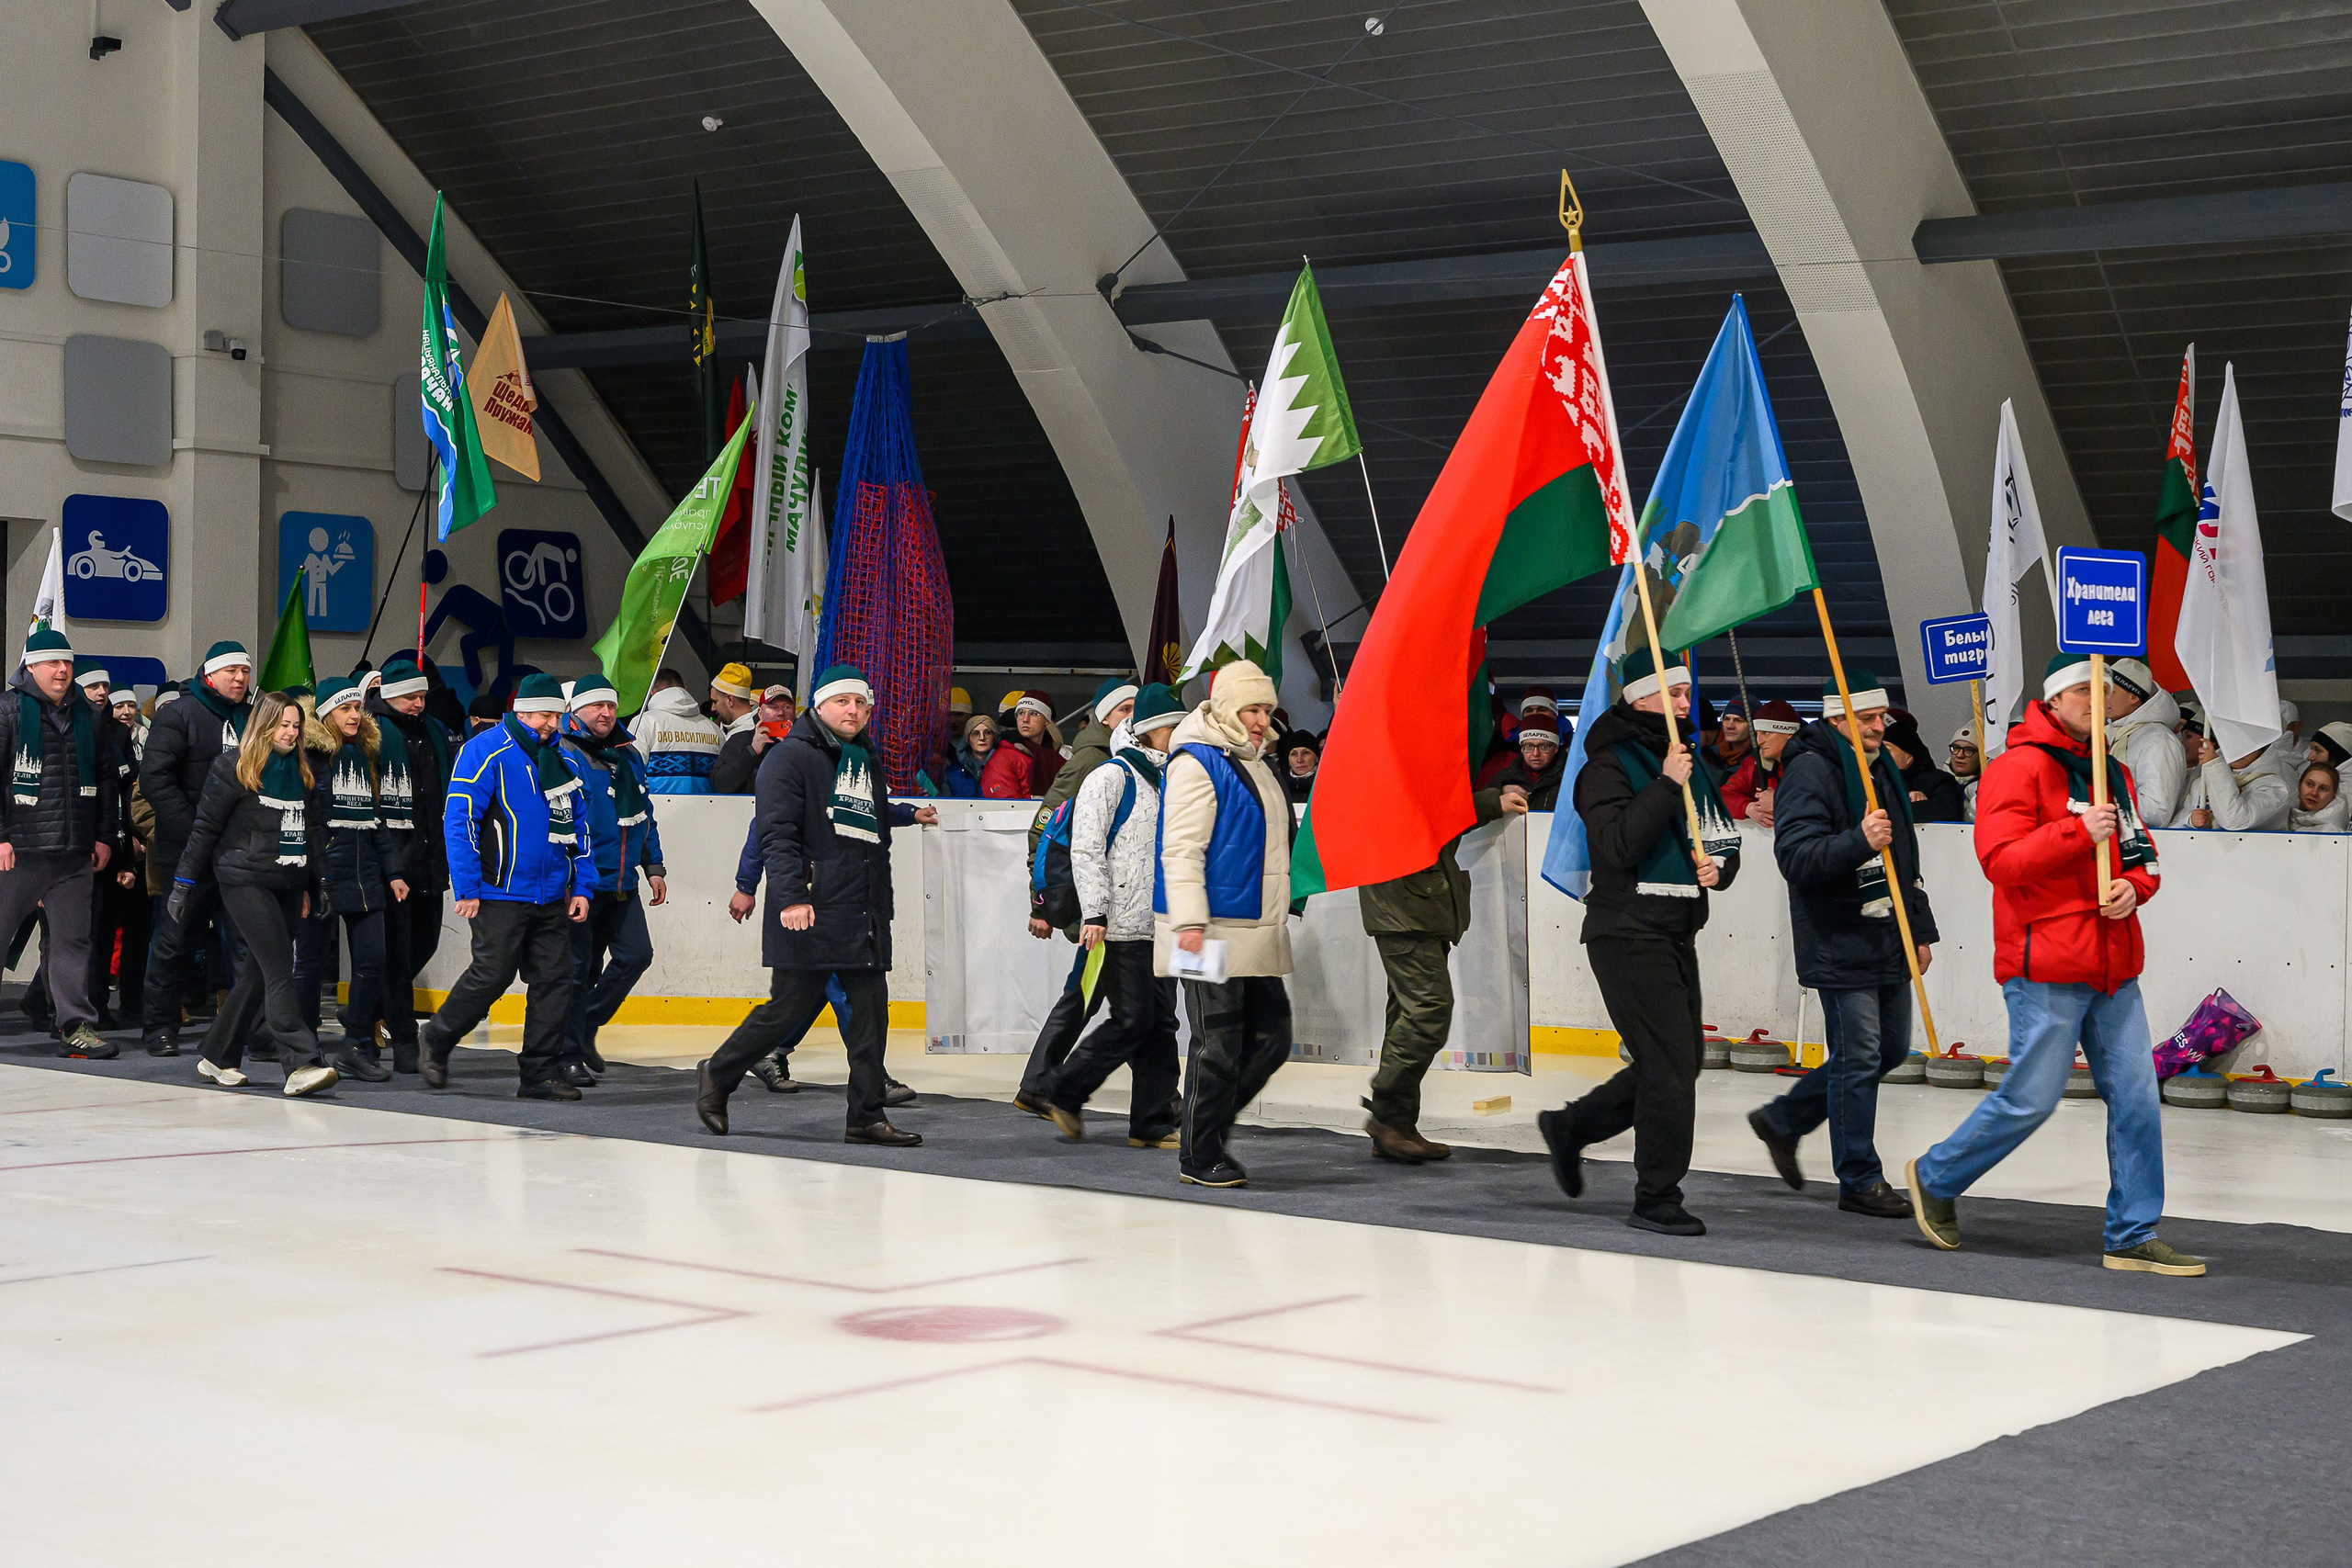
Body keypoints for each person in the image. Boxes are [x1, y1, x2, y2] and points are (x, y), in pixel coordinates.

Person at [1907, 653, 2200, 1276]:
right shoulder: (2015, 768)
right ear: (2057, 699)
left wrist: (2133, 889)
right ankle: (1935, 1174)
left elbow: (2140, 856)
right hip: (2044, 963)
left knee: (2138, 1101)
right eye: (2086, 693)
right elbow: (2000, 860)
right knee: (2031, 1100)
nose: (2098, 703)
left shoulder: (2112, 771)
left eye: (2106, 693)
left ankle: (2132, 1231)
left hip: (2113, 965)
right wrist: (2076, 833)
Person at [1535, 646, 1741, 1236]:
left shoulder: (1688, 760)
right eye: (1672, 693)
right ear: (1638, 698)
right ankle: (1657, 1196)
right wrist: (1663, 784)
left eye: (1685, 693)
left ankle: (1572, 1127)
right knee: (1671, 1066)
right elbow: (1618, 846)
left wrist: (1718, 869)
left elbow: (1723, 840)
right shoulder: (1606, 766)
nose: (1684, 702)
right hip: (1625, 929)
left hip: (1676, 929)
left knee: (1677, 1062)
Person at [695, 665, 936, 1145]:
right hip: (809, 908)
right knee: (786, 1012)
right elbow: (777, 834)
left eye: (861, 703)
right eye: (843, 702)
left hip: (862, 906)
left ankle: (866, 1117)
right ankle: (718, 1076)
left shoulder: (862, 757)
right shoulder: (786, 760)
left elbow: (865, 812)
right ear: (820, 707)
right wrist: (790, 898)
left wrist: (909, 814)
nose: (853, 710)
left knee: (871, 1015)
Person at [1746, 671, 1939, 1218]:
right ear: (1836, 720)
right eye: (1868, 718)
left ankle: (1783, 1120)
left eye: (1882, 718)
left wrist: (1919, 929)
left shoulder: (1880, 771)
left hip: (1886, 933)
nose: (1880, 727)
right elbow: (1797, 859)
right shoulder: (1811, 770)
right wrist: (1859, 840)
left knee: (1891, 1050)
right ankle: (1858, 1176)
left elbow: (1904, 862)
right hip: (1838, 936)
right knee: (1859, 1055)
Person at [417, 672, 593, 1101]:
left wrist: (583, 887)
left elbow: (580, 830)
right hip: (498, 891)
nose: (550, 723)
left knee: (555, 980)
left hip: (552, 893)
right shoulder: (484, 750)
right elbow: (459, 821)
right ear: (521, 711)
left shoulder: (566, 762)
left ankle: (538, 1074)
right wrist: (467, 886)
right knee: (491, 977)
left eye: (556, 714)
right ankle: (438, 1038)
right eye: (543, 714)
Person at [1156, 660, 1295, 1189]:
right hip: (1204, 927)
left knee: (1272, 1037)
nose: (1261, 719)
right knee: (1218, 1042)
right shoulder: (1196, 762)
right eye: (1251, 709)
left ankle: (1203, 1127)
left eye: (1266, 709)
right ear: (1224, 708)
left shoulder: (1256, 759)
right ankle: (1200, 1153)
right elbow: (1182, 848)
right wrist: (1189, 921)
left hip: (1252, 926)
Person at [1042, 683, 1189, 1146]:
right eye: (1171, 727)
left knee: (1162, 1024)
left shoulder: (1175, 778)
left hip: (1161, 922)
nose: (1178, 734)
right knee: (1133, 1020)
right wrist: (1096, 912)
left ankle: (1151, 1121)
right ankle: (1064, 1090)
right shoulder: (1111, 776)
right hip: (1119, 924)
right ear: (1148, 731)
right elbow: (1086, 848)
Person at [1359, 771, 1530, 1164]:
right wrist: (1488, 802)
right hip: (1406, 904)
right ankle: (1386, 1113)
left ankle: (1396, 1124)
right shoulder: (1387, 762)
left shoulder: (1401, 755)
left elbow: (1435, 809)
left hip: (1419, 903)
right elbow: (1427, 811)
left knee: (1407, 1013)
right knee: (1429, 1009)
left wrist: (1486, 801)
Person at [177, 692, 337, 1097]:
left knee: (256, 973)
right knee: (280, 968)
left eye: (295, 726)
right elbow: (205, 830)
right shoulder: (233, 768)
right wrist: (183, 884)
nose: (289, 732)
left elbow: (314, 833)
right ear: (263, 725)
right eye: (282, 724)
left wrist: (318, 883)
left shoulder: (302, 773)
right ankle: (300, 1062)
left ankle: (216, 1054)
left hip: (287, 881)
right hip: (243, 880)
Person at [1010, 677, 1137, 1112]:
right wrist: (1042, 901)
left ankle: (1040, 1085)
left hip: (1115, 906)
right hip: (1098, 908)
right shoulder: (1092, 759)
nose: (1132, 717)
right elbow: (1046, 827)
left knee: (1111, 1000)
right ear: (1105, 716)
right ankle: (1044, 1085)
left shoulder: (1122, 756)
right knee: (1104, 1000)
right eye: (1124, 710)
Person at [0, 629, 122, 1060]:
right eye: (52, 662)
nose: (62, 670)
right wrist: (0, 837)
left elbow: (108, 780)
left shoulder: (89, 715)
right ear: (30, 666)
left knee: (73, 942)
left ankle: (75, 1026)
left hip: (74, 852)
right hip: (20, 852)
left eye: (67, 663)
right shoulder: (8, 710)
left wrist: (105, 836)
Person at [139, 640, 254, 1056]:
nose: (240, 679)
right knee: (175, 941)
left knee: (247, 943)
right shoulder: (178, 714)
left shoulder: (256, 720)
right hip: (184, 854)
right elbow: (155, 781)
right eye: (231, 672)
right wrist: (198, 831)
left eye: (244, 671)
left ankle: (254, 1031)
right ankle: (160, 1028)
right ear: (209, 674)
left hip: (242, 856)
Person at [556, 671, 666, 1087]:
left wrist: (653, 865)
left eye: (610, 705)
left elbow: (645, 814)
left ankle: (584, 1025)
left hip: (623, 882)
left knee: (636, 955)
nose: (605, 713)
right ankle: (567, 1054)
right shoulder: (565, 751)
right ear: (576, 709)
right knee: (578, 970)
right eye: (596, 706)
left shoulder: (629, 754)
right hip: (583, 882)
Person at [369, 654, 453, 1075]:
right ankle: (403, 1038)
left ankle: (368, 1014)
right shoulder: (374, 733)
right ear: (391, 697)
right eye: (410, 698)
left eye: (422, 696)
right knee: (397, 957)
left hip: (430, 859)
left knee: (426, 945)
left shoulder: (435, 732)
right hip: (394, 862)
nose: (419, 704)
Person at [2102, 658, 2187, 829]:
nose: (2101, 697)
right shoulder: (2108, 734)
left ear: (2133, 697)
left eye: (2110, 691)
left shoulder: (2158, 740)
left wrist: (2103, 799)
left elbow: (2156, 812)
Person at [2184, 724, 2289, 830]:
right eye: (2231, 743)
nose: (2238, 751)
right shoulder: (2202, 783)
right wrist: (2190, 821)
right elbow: (2174, 826)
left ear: (2261, 748)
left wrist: (2214, 765)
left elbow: (2233, 821)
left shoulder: (2275, 788)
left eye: (2247, 744)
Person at [637, 667, 722, 794]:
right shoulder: (714, 729)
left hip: (657, 809)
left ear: (652, 693)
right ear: (685, 690)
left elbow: (632, 772)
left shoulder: (644, 723)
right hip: (706, 810)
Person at [1881, 710, 1967, 823]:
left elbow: (1948, 811)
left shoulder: (1939, 781)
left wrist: (1910, 804)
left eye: (1888, 751)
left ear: (1909, 757)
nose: (1882, 757)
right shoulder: (1876, 780)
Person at [1722, 698, 1800, 822]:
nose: (1759, 741)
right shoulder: (1753, 764)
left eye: (1766, 733)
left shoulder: (1812, 766)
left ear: (1788, 733)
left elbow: (1826, 804)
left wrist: (1779, 801)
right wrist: (1748, 808)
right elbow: (1723, 796)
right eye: (1757, 734)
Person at [984, 691, 1062, 798]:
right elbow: (1006, 807)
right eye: (1021, 713)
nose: (1025, 719)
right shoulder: (1003, 758)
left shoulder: (1057, 756)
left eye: (1034, 714)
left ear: (1047, 720)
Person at [707, 662, 763, 794]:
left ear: (730, 700)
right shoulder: (745, 729)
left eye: (715, 702)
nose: (713, 708)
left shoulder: (750, 733)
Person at [1494, 724, 1565, 809]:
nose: (1535, 754)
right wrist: (1500, 791)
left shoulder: (1570, 780)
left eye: (1543, 747)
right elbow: (1480, 802)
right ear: (1522, 749)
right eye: (1528, 747)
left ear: (1556, 748)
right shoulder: (1505, 777)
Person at [943, 714, 996, 798]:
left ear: (994, 737)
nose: (982, 738)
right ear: (968, 738)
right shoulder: (952, 773)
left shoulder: (1004, 770)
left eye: (988, 733)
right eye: (975, 733)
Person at [2292, 761, 2347, 832]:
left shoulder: (2331, 831)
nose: (2314, 793)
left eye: (2323, 789)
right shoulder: (2284, 816)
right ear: (2299, 785)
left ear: (2333, 796)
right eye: (2309, 784)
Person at [1274, 728, 1320, 805]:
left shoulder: (1326, 786)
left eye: (1306, 753)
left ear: (1317, 758)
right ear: (1288, 760)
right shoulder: (1277, 785)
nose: (1299, 760)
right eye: (1294, 754)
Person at [1949, 721, 1982, 821]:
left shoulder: (1985, 786)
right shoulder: (1936, 782)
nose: (1960, 755)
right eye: (1955, 748)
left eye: (1969, 750)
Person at [1708, 700, 1752, 773]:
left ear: (1752, 725)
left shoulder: (1759, 761)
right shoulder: (1709, 757)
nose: (1729, 726)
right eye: (1726, 719)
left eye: (1738, 720)